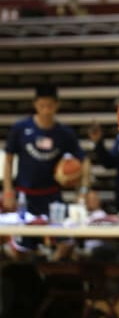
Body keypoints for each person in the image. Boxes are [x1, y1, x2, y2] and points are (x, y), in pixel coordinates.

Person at [2, 85, 90, 258]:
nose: (46, 110)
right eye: (42, 106)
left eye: (50, 106)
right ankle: (31, 277)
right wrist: (7, 190)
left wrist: (83, 190)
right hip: (25, 195)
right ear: (35, 105)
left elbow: (84, 160)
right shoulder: (21, 128)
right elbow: (9, 159)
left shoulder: (64, 133)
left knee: (67, 241)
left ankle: (49, 270)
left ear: (57, 106)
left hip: (52, 196)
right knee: (21, 248)